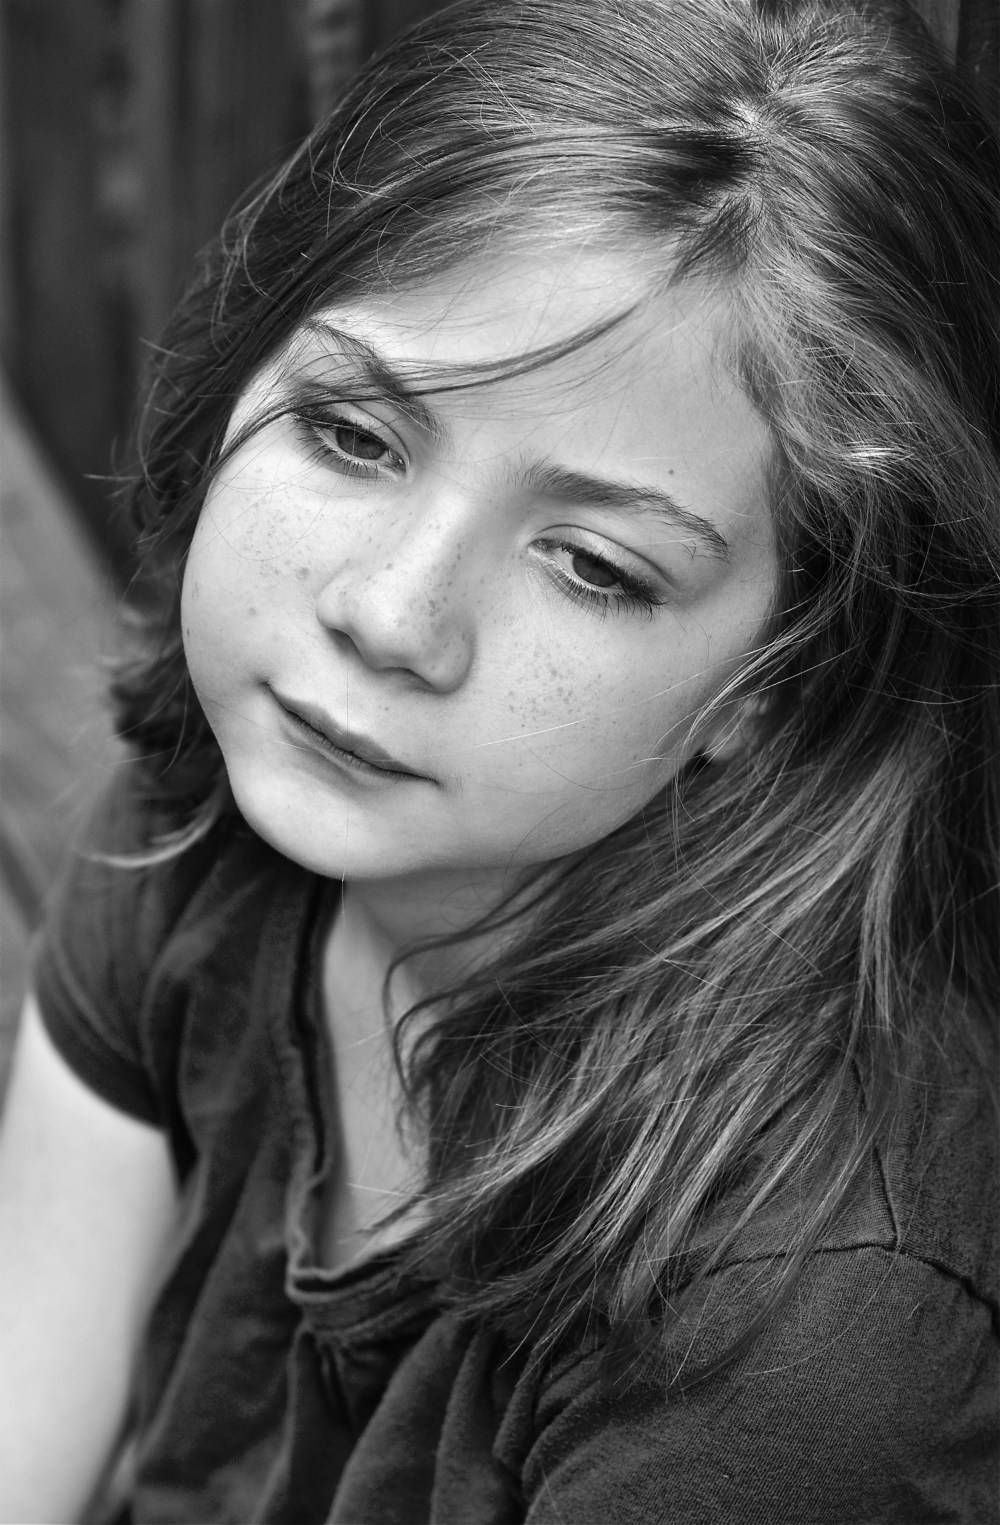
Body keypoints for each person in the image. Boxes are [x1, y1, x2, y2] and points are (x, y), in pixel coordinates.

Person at [1, 0, 997, 1519]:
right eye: (352, 434)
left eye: (596, 564)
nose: (391, 617)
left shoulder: (796, 1340)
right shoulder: (208, 811)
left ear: (780, 675)